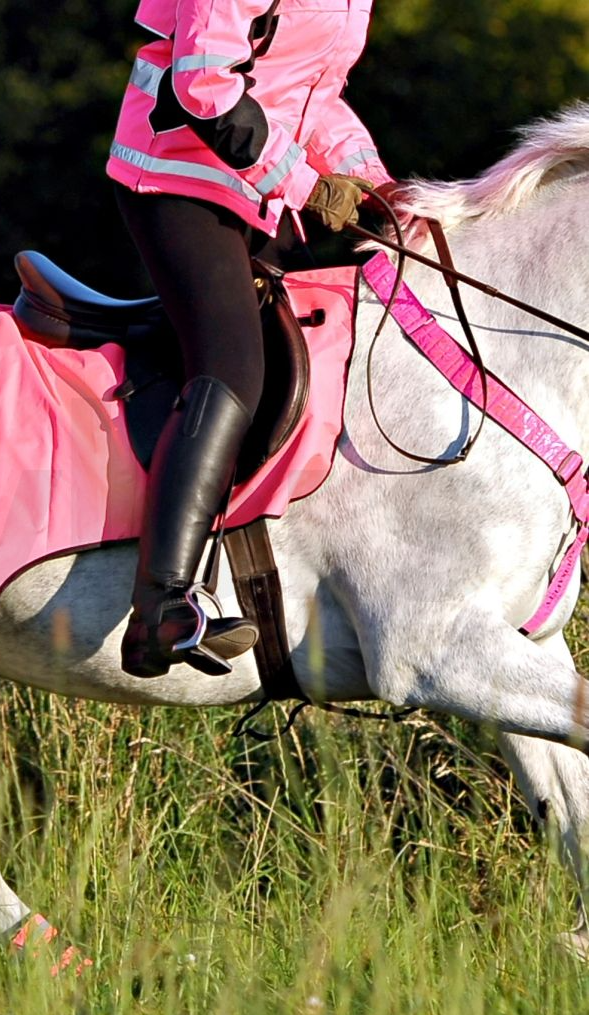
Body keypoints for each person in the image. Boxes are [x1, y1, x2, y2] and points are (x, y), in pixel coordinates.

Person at [107, 0, 393, 678]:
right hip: (176, 176)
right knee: (232, 369)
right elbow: (203, 83)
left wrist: (378, 184)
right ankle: (159, 609)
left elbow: (311, 96)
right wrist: (306, 184)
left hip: (251, 190)